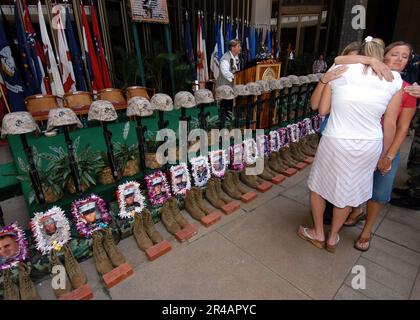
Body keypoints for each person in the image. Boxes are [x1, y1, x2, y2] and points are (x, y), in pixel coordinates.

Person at [298, 37, 403, 253]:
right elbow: (390, 123)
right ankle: (333, 237)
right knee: (349, 192)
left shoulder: (341, 68)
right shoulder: (394, 79)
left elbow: (322, 109)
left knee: (318, 186)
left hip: (337, 138)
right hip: (369, 145)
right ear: (381, 56)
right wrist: (386, 155)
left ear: (362, 53)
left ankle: (318, 232)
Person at [334, 42, 417, 251]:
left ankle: (367, 230)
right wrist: (369, 60)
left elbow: (401, 127)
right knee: (354, 183)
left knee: (378, 191)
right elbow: (339, 61)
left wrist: (388, 155)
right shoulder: (366, 76)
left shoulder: (408, 89)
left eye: (405, 56)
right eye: (395, 54)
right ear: (383, 56)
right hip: (361, 142)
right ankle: (355, 211)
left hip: (387, 147)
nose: (399, 59)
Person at [309, 41, 362, 225]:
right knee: (325, 180)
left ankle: (348, 214)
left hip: (357, 141)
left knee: (346, 185)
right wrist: (326, 78)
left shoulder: (369, 85)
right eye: (349, 60)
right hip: (330, 134)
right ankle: (325, 217)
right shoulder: (334, 76)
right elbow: (316, 106)